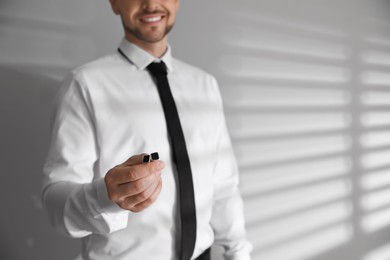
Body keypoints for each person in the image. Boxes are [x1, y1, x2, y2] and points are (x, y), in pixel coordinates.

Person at [42, 0, 252, 259]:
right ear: (115, 4)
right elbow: (54, 201)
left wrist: (239, 253)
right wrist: (105, 197)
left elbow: (223, 187)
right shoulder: (84, 85)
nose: (151, 4)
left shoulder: (205, 86)